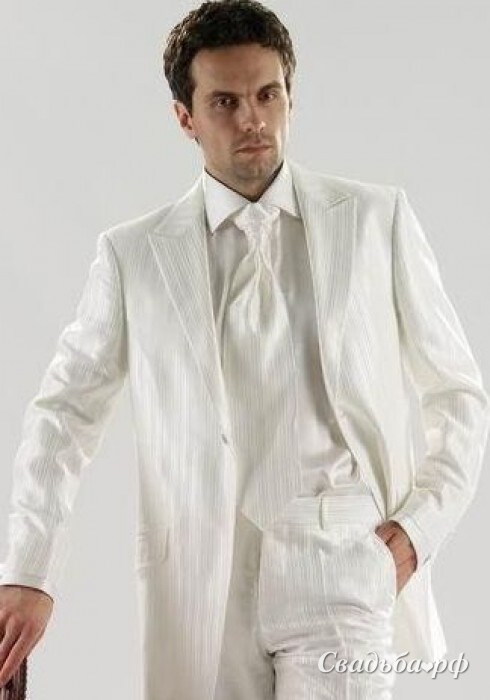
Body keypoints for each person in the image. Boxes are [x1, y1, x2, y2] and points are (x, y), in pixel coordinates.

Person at [1, 1, 489, 698]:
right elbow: (63, 415)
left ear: (291, 96)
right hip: (201, 579)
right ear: (186, 117)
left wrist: (417, 529)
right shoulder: (133, 255)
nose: (253, 119)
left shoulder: (375, 221)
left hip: (339, 560)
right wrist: (29, 571)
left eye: (268, 95)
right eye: (225, 102)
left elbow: (458, 394)